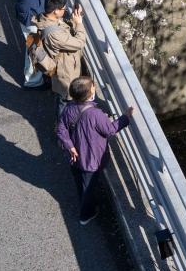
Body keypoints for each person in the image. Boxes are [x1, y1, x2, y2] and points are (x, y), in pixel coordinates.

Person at [56, 76, 133, 225]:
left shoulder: (69, 107)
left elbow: (61, 128)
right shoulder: (95, 114)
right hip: (90, 160)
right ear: (89, 94)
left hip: (74, 157)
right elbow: (110, 130)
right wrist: (126, 117)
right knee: (88, 189)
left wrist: (69, 146)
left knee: (80, 182)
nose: (94, 87)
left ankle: (85, 201)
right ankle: (86, 215)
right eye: (93, 86)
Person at [10, 0, 64, 88]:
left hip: (30, 13)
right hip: (30, 18)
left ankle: (37, 75)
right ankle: (32, 80)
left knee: (35, 47)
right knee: (33, 49)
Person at [38, 0, 87, 108]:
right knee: (65, 100)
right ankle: (61, 125)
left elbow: (64, 30)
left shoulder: (47, 19)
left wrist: (74, 18)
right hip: (65, 71)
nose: (65, 11)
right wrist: (79, 24)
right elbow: (79, 43)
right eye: (64, 9)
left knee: (65, 98)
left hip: (65, 66)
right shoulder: (54, 34)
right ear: (56, 11)